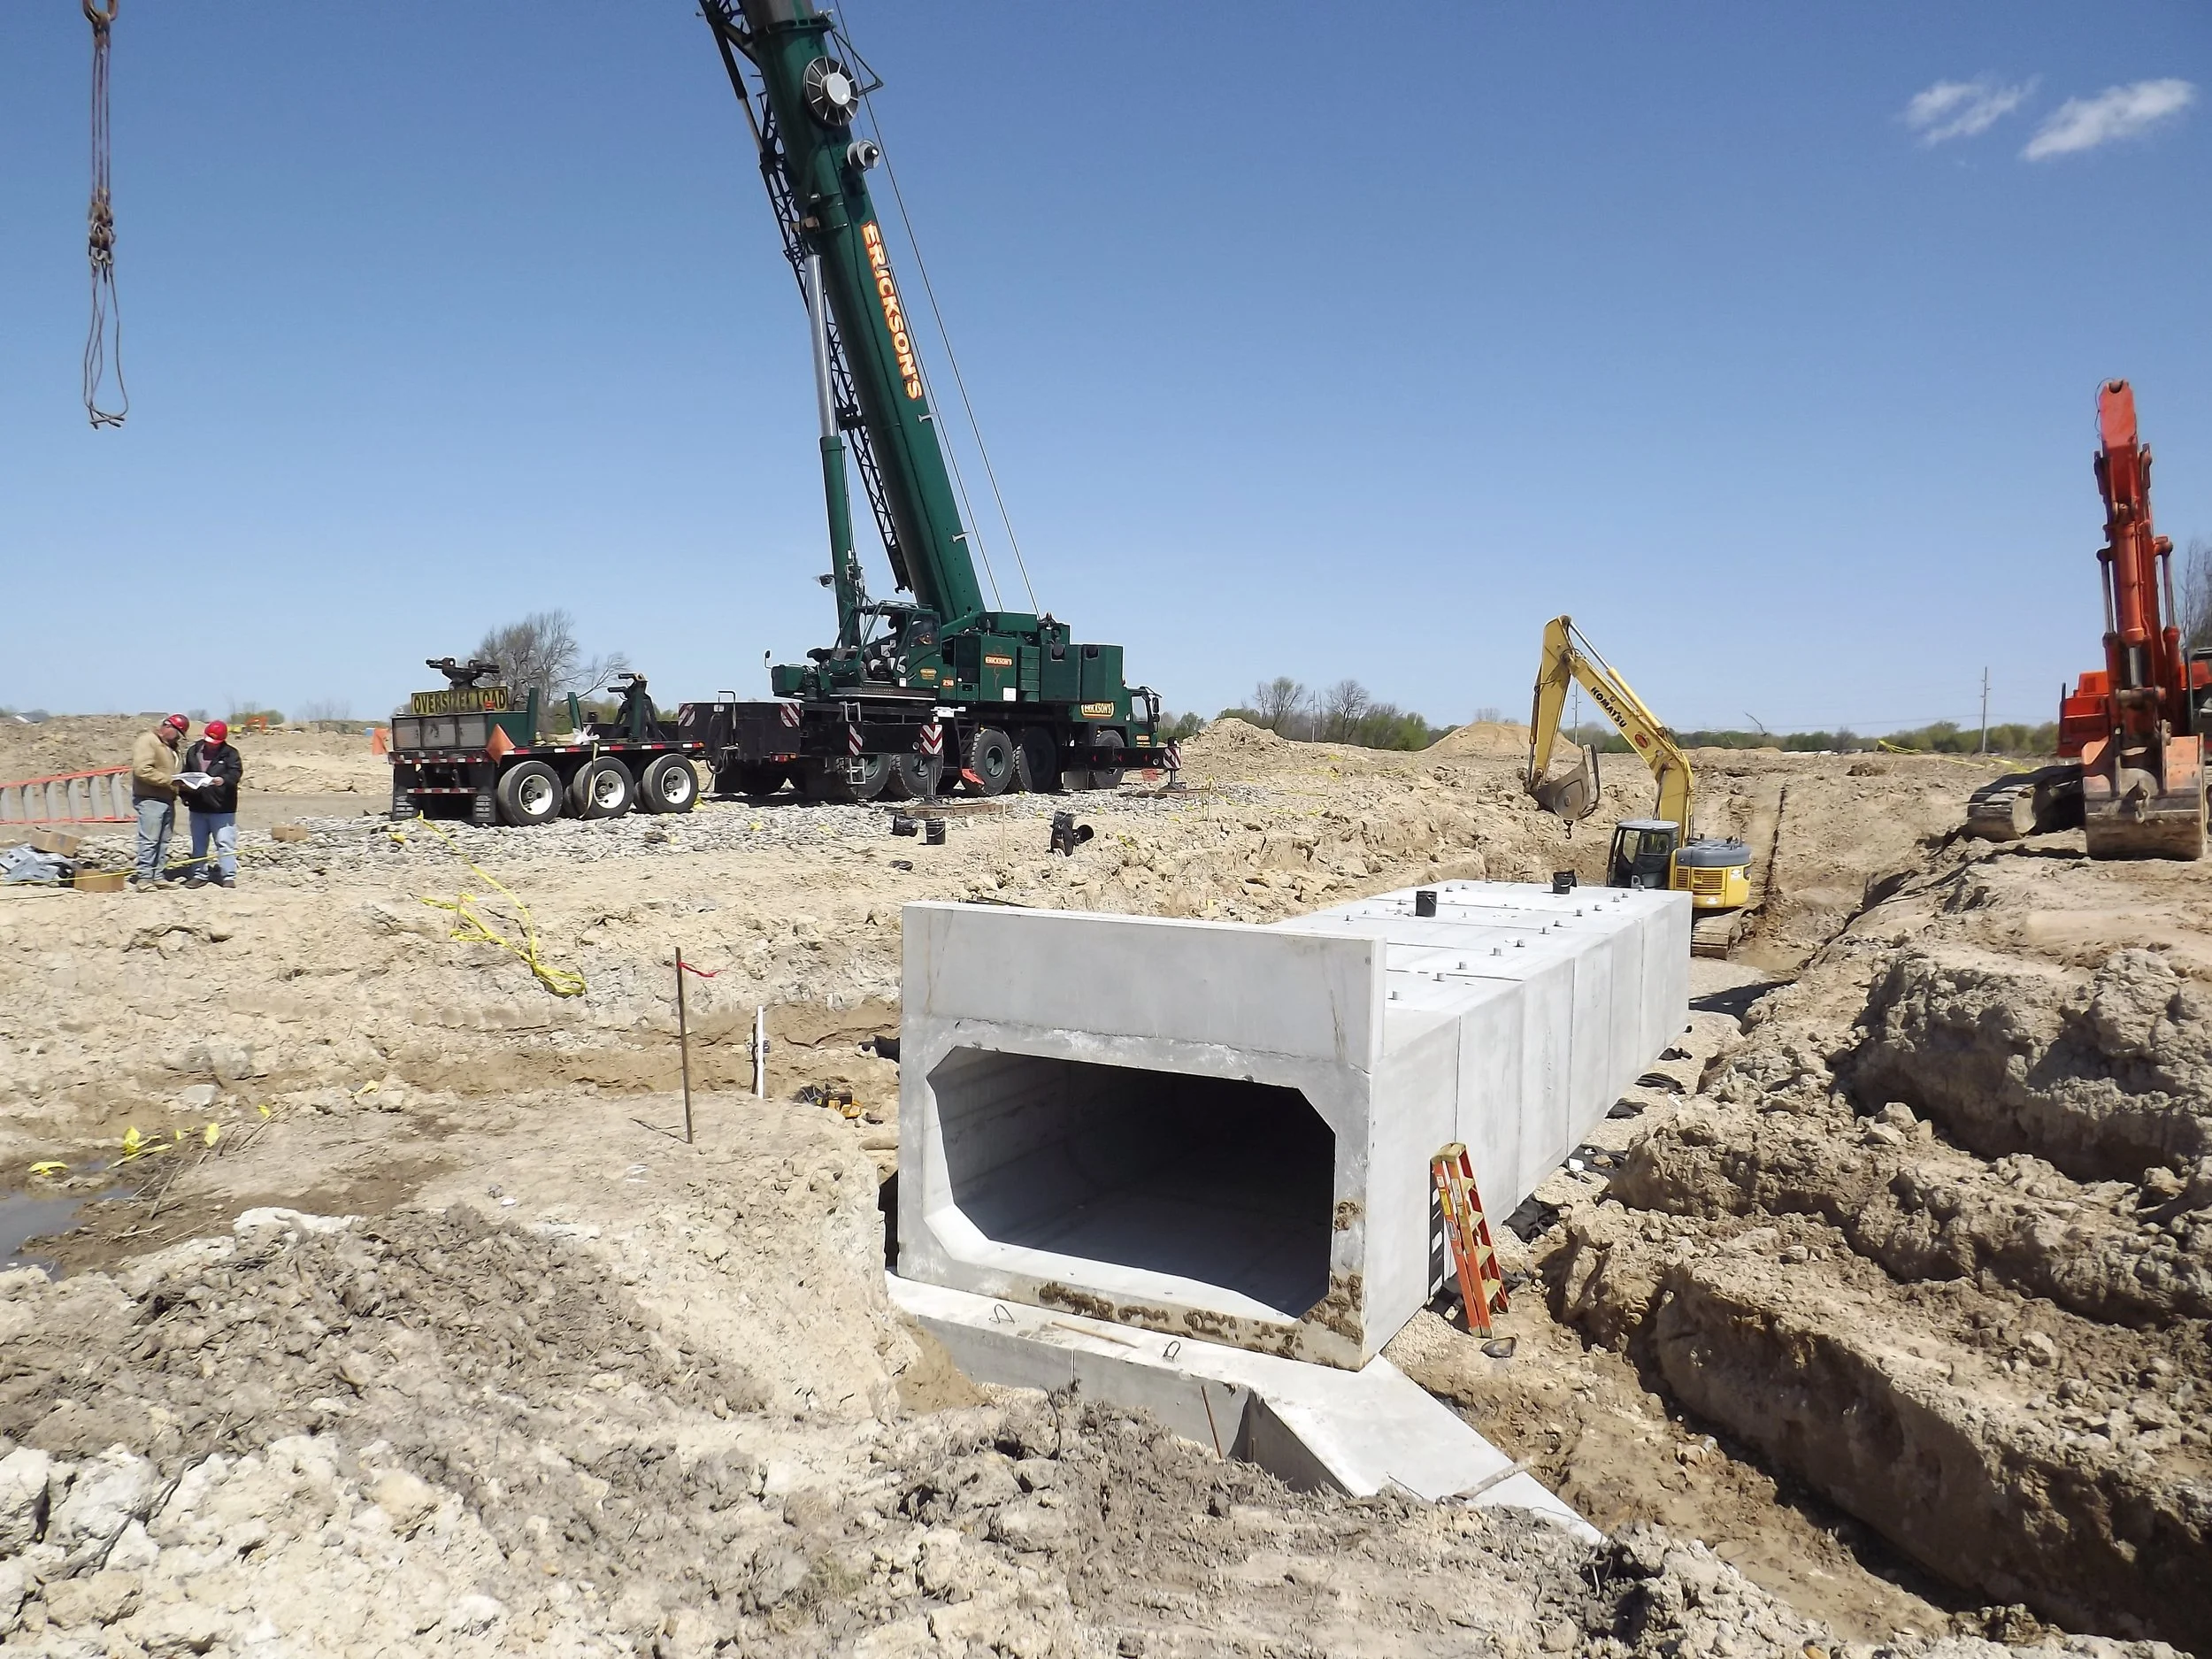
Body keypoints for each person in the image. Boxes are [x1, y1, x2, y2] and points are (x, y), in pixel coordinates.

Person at [178, 719, 244, 888]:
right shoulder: (194, 751)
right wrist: (184, 792)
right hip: (198, 805)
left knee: (224, 842)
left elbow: (235, 773)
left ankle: (228, 876)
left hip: (222, 808)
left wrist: (224, 780)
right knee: (199, 843)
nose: (211, 745)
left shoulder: (230, 754)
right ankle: (199, 875)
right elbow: (187, 773)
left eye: (215, 743)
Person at [129, 714, 188, 887]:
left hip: (167, 797)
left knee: (163, 840)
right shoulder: (148, 741)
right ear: (168, 727)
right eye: (178, 733)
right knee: (150, 839)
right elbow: (142, 770)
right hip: (150, 798)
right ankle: (145, 877)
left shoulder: (170, 747)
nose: (178, 738)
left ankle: (157, 875)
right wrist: (170, 780)